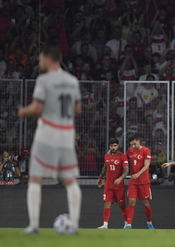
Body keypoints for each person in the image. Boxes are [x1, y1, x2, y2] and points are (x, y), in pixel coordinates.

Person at [18, 46, 82, 235]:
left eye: (41, 59)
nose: (39, 62)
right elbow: (77, 109)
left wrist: (24, 112)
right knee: (70, 180)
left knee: (35, 179)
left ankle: (34, 225)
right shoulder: (72, 80)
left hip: (47, 133)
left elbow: (37, 108)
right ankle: (75, 226)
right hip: (67, 133)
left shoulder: (44, 80)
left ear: (48, 59)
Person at [97, 138, 129, 229]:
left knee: (122, 205)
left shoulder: (122, 156)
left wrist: (120, 179)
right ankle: (105, 225)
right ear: (109, 146)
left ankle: (127, 224)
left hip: (119, 186)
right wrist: (100, 177)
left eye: (115, 145)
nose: (113, 147)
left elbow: (126, 171)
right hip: (108, 185)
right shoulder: (107, 156)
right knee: (107, 204)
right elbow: (105, 168)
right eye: (111, 146)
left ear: (118, 146)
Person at [124, 135, 153, 229]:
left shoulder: (146, 150)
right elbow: (123, 159)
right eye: (131, 145)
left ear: (139, 141)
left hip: (144, 181)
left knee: (146, 203)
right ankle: (128, 225)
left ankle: (149, 222)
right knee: (131, 201)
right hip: (133, 181)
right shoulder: (130, 151)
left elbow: (147, 165)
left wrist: (138, 174)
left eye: (135, 144)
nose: (133, 146)